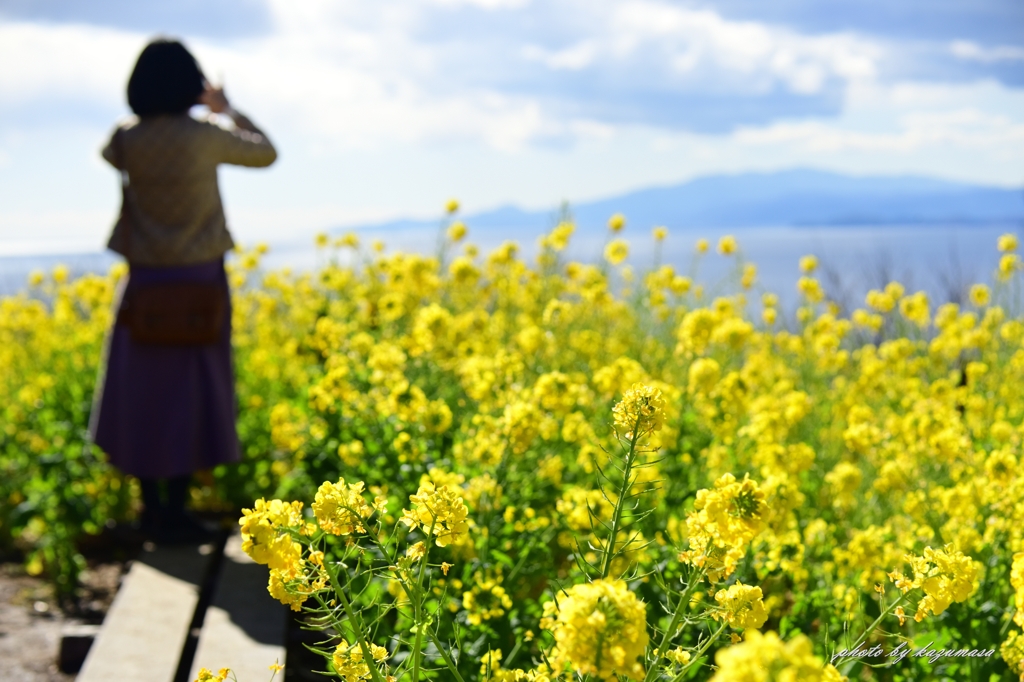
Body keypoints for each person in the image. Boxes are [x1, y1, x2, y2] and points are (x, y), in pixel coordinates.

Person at [88, 37, 277, 543]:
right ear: (191, 84)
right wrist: (224, 108)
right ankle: (178, 509)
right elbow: (267, 154)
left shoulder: (125, 139)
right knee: (191, 392)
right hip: (200, 281)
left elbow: (111, 154)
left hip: (146, 282)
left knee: (144, 393)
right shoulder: (207, 136)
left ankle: (152, 510)